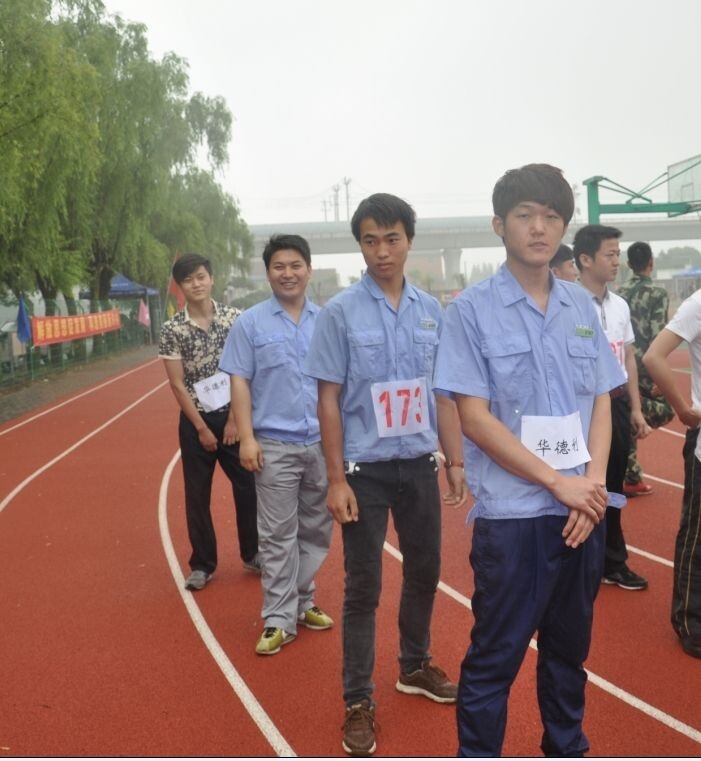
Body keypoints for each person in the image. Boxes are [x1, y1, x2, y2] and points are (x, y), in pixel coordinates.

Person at [434, 163, 624, 757]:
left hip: (582, 515)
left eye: (551, 216)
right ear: (500, 225)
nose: (539, 228)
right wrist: (558, 484)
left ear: (563, 227)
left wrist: (592, 486)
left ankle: (566, 747)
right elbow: (474, 418)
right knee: (495, 659)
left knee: (568, 655)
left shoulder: (581, 307)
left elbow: (601, 398)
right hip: (515, 521)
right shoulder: (470, 312)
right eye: (525, 216)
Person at [304, 192, 468, 757]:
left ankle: (415, 665)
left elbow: (442, 393)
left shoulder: (431, 311)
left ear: (409, 242)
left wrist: (455, 461)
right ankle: (358, 701)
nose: (381, 251)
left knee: (425, 571)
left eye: (392, 239)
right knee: (363, 587)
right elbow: (328, 400)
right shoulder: (339, 313)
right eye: (370, 241)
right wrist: (336, 479)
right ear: (360, 246)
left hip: (419, 463)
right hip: (364, 471)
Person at [219, 234, 334, 656]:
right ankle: (278, 618)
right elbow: (239, 381)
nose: (288, 273)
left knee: (316, 530)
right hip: (274, 445)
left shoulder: (328, 321)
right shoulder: (250, 323)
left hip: (322, 443)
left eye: (295, 265)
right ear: (267, 273)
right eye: (279, 267)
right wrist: (247, 438)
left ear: (309, 270)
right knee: (277, 535)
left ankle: (303, 601)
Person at [158, 253, 259, 591]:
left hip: (235, 419)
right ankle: (202, 564)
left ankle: (253, 553)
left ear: (211, 278)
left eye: (201, 277)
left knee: (248, 487)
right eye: (188, 280)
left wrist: (234, 420)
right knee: (197, 494)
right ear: (180, 286)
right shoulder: (173, 329)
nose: (196, 284)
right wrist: (201, 428)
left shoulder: (235, 320)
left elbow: (244, 371)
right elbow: (177, 384)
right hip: (195, 422)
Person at [573, 224, 651, 591]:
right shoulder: (568, 304)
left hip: (616, 403)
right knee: (582, 483)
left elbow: (628, 358)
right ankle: (579, 560)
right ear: (586, 260)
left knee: (614, 484)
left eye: (618, 254)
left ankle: (612, 562)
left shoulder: (620, 305)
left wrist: (635, 408)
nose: (617, 261)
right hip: (582, 408)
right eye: (610, 254)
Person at [643, 293, 701, 659]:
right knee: (697, 535)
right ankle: (690, 622)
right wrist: (683, 408)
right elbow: (653, 356)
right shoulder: (698, 304)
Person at [617, 241, 673, 496]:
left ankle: (630, 474)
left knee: (628, 410)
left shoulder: (619, 293)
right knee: (667, 409)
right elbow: (657, 334)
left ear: (629, 264)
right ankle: (630, 470)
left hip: (621, 362)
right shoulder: (658, 293)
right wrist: (660, 374)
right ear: (651, 262)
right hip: (645, 365)